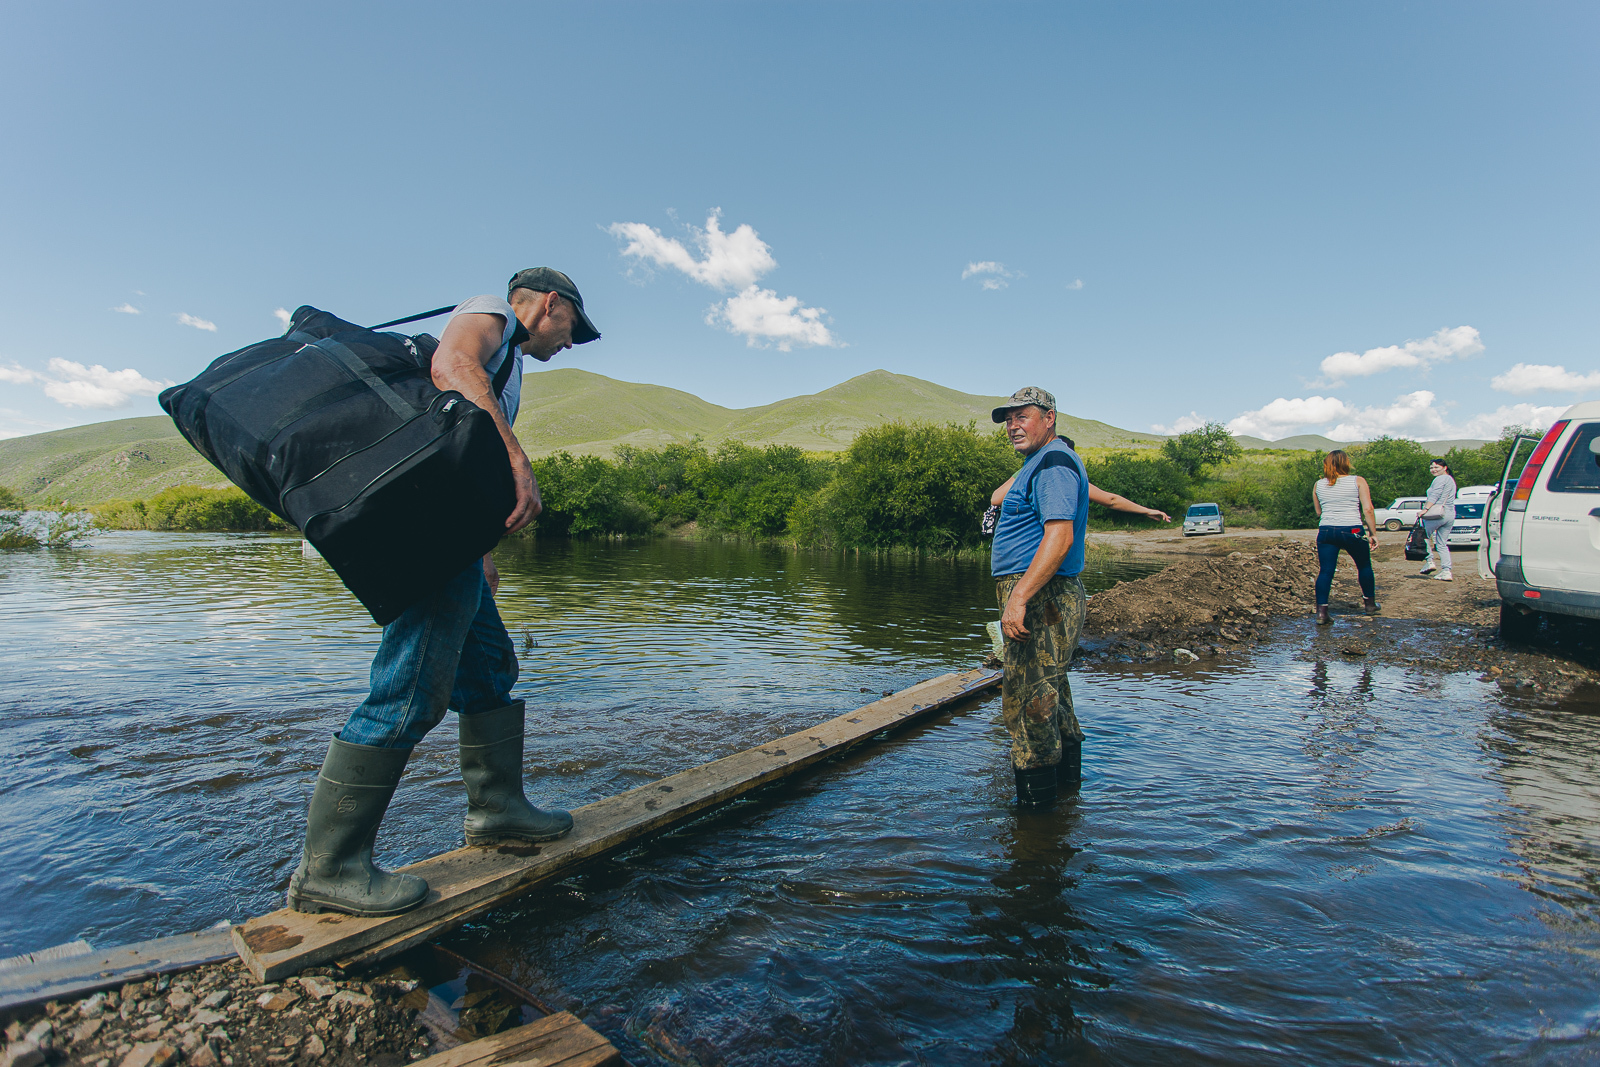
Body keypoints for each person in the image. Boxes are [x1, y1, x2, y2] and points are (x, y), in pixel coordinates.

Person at [286, 267, 601, 917]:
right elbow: (451, 366)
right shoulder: (490, 314)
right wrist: (517, 457)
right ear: (551, 304)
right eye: (574, 327)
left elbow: (454, 450)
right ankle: (331, 866)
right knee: (411, 683)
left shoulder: (510, 366)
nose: (572, 342)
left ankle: (497, 811)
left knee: (489, 668)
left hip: (454, 538)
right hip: (424, 536)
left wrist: (482, 549)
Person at [989, 387, 1090, 809]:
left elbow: (1060, 535)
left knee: (1027, 702)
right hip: (1041, 595)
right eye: (1008, 419)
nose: (1013, 426)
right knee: (1052, 695)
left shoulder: (1053, 462)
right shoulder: (1040, 463)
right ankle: (1068, 800)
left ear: (1050, 418)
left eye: (1022, 416)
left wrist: (1019, 598)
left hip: (1041, 596)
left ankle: (1037, 828)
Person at [984, 434, 1172, 531]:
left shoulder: (1066, 477)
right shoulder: (1032, 472)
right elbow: (996, 498)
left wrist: (1146, 510)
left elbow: (1111, 500)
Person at [1311, 450, 1379, 625]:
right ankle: (1370, 605)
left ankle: (1322, 613)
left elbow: (1319, 512)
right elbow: (1368, 509)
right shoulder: (1358, 481)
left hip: (1326, 530)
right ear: (1345, 463)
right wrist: (1373, 533)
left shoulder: (1318, 484)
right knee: (1364, 566)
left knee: (1326, 571)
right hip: (1352, 529)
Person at [1420, 457, 1457, 581]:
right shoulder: (1451, 480)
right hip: (1450, 514)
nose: (1433, 470)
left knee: (1423, 536)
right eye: (1431, 467)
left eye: (1436, 467)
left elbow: (1435, 495)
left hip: (1437, 514)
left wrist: (1425, 509)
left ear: (1444, 468)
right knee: (1442, 543)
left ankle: (1429, 561)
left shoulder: (1440, 479)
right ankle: (1446, 571)